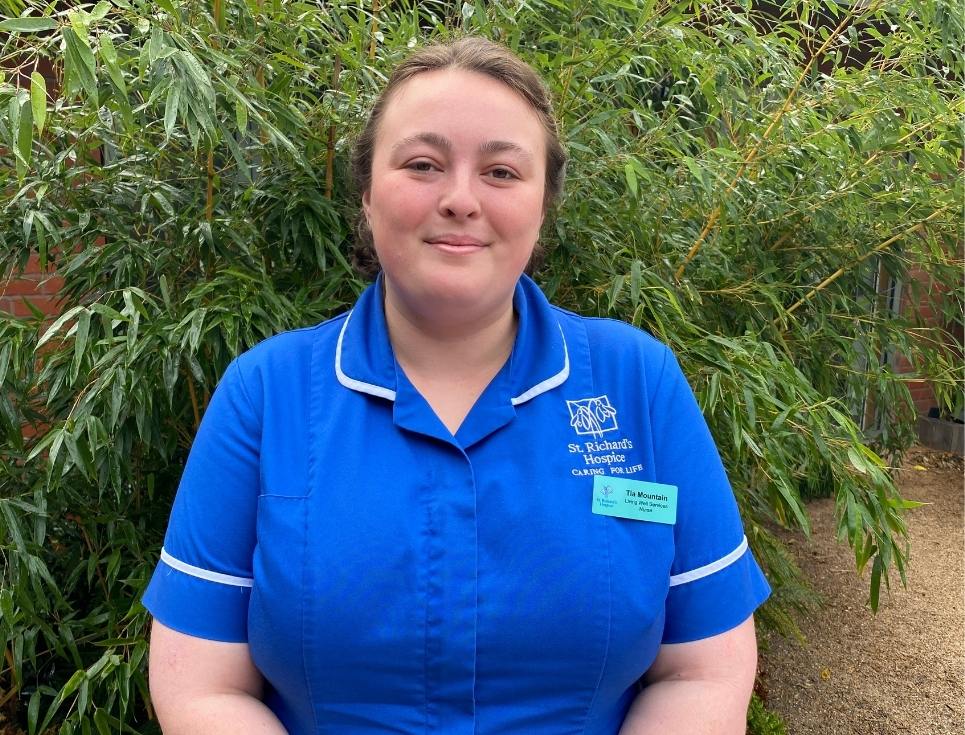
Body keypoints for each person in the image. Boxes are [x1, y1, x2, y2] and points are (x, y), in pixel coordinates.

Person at [143, 36, 770, 735]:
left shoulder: (638, 383)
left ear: (543, 204)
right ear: (366, 193)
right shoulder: (265, 393)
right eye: (422, 164)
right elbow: (202, 687)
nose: (461, 199)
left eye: (501, 171)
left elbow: (703, 669)